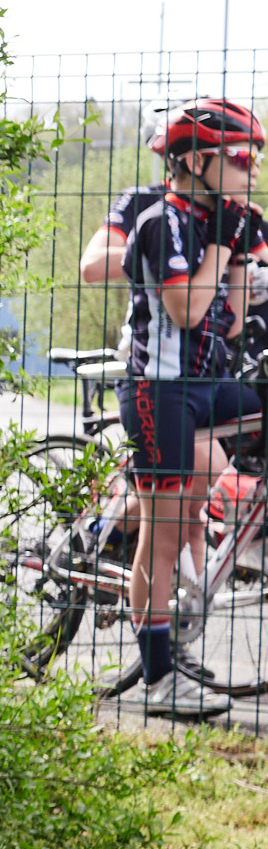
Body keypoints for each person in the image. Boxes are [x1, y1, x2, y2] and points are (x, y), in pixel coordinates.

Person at [116, 98, 267, 715]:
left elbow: (229, 322)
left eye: (255, 159)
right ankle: (160, 681)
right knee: (163, 532)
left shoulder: (219, 221)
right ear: (196, 161)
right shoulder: (163, 221)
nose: (252, 169)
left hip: (207, 382)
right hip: (160, 391)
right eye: (241, 157)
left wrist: (240, 255)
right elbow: (185, 312)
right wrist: (223, 250)